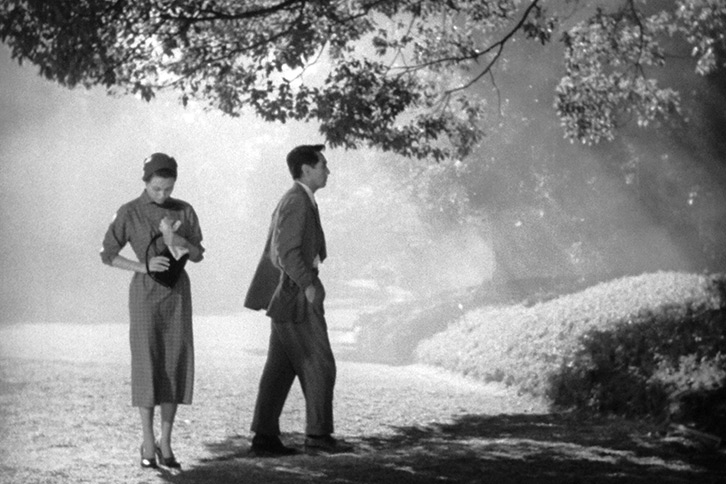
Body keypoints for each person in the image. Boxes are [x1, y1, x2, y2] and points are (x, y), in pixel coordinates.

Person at [100, 153, 204, 469]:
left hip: (177, 295)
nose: (162, 194)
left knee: (174, 363)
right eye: (157, 188)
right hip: (145, 295)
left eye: (168, 188)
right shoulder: (129, 211)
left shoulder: (184, 209)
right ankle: (147, 441)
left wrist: (175, 238)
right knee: (146, 363)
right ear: (145, 182)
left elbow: (197, 254)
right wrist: (142, 266)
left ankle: (165, 441)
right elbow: (107, 253)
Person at [244, 144, 351, 455]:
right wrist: (308, 284)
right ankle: (317, 436)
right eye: (323, 165)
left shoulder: (300, 199)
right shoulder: (296, 201)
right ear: (306, 169)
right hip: (295, 293)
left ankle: (264, 438)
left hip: (288, 293)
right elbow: (286, 252)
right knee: (320, 363)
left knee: (279, 369)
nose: (328, 171)